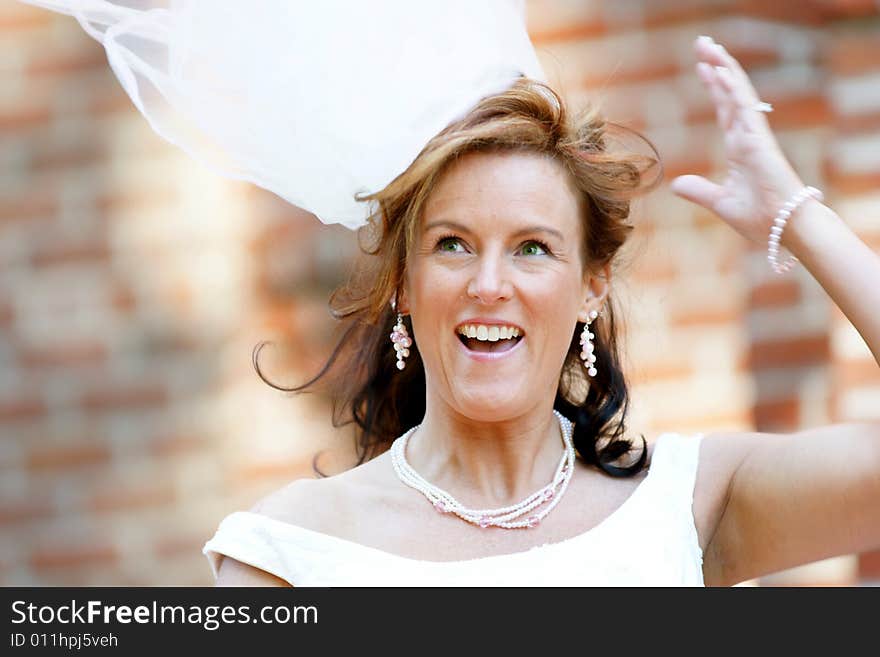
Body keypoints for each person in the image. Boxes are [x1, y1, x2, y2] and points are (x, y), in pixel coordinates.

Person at [202, 35, 880, 586]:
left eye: (532, 247)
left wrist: (798, 218)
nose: (489, 284)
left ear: (592, 285)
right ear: (404, 285)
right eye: (453, 245)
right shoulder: (289, 550)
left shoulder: (691, 501)